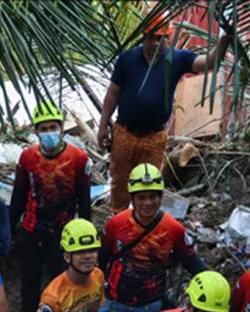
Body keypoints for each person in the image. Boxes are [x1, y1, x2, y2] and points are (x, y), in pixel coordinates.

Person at [86, 163, 207, 312]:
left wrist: (214, 288)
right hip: (114, 302)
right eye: (142, 197)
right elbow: (103, 258)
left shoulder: (173, 229)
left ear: (161, 197)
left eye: (153, 197)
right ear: (133, 198)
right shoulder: (116, 224)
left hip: (148, 307)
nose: (148, 203)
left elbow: (191, 262)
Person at [98, 16, 232, 212]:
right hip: (124, 134)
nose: (155, 43)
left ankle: (145, 226)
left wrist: (225, 39)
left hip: (154, 138)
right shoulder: (127, 59)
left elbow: (209, 62)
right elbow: (113, 93)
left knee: (149, 184)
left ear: (169, 39)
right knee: (120, 183)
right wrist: (103, 126)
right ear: (144, 37)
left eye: (161, 38)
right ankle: (119, 223)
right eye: (151, 37)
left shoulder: (176, 59)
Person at [10, 101, 92, 312]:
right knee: (30, 277)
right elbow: (18, 195)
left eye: (53, 127)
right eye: (43, 128)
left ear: (62, 128)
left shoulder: (78, 158)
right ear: (36, 131)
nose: (49, 132)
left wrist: (84, 237)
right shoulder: (27, 157)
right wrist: (8, 227)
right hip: (33, 227)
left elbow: (84, 199)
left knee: (62, 278)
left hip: (64, 230)